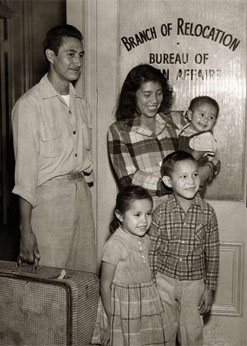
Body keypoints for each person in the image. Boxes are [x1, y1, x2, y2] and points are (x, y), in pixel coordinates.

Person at [12, 24, 96, 273]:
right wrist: (25, 229)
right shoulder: (29, 105)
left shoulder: (82, 104)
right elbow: (25, 175)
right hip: (47, 203)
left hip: (81, 196)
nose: (77, 62)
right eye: (70, 54)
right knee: (49, 284)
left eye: (80, 55)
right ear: (51, 56)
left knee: (84, 279)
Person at [108, 64, 217, 206]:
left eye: (159, 93)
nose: (154, 100)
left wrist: (208, 169)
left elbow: (210, 150)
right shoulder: (119, 130)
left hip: (185, 208)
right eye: (147, 94)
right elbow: (129, 179)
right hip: (146, 212)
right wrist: (175, 183)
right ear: (132, 95)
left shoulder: (177, 120)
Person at [148, 151, 220, 346]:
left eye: (195, 174)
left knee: (191, 332)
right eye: (183, 176)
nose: (191, 181)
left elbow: (212, 254)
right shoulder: (160, 212)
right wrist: (151, 283)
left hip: (194, 284)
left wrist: (209, 288)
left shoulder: (207, 212)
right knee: (164, 330)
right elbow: (152, 251)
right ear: (168, 181)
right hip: (163, 281)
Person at [91, 185, 171, 346]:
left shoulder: (147, 239)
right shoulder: (115, 245)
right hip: (123, 308)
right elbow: (105, 286)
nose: (144, 220)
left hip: (146, 304)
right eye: (137, 215)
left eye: (149, 214)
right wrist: (111, 320)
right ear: (120, 216)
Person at [178, 96, 221, 176]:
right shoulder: (186, 129)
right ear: (190, 115)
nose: (205, 120)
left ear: (214, 122)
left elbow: (196, 155)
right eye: (202, 114)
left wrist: (178, 168)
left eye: (211, 117)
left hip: (194, 172)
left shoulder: (205, 137)